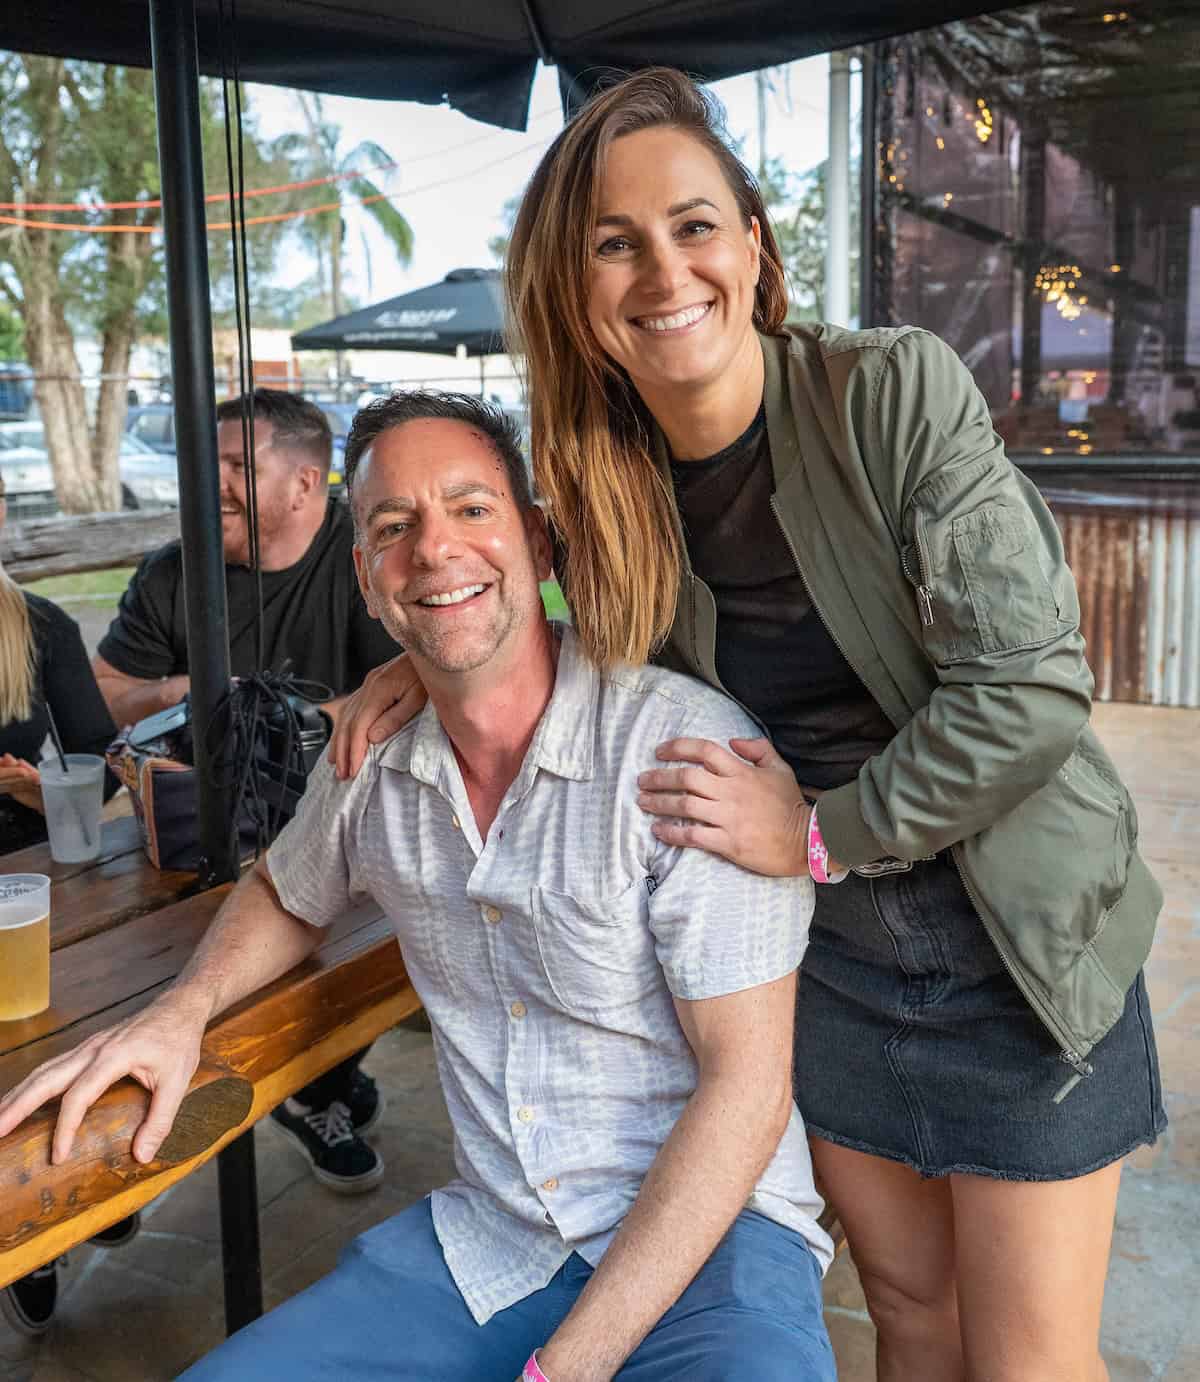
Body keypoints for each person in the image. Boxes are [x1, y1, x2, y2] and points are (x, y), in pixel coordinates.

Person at [331, 70, 1166, 1382]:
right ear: (576, 296)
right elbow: (537, 604)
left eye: (694, 225)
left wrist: (820, 832)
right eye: (616, 243)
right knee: (910, 1313)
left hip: (1015, 938)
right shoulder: (608, 491)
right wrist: (426, 661)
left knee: (1028, 1361)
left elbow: (1031, 692)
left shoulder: (889, 392)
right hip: (831, 962)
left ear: (754, 247)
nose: (666, 270)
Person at [0, 392, 835, 1382]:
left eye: (472, 508)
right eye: (394, 526)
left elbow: (746, 1090)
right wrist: (180, 1011)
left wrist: (564, 1368)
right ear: (367, 577)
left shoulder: (681, 754)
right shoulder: (376, 760)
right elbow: (285, 890)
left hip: (714, 1236)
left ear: (538, 541)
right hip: (498, 1237)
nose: (435, 548)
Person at [94, 388, 401, 1197]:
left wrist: (280, 722)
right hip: (197, 830)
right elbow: (107, 689)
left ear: (304, 483)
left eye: (234, 465)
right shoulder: (175, 571)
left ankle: (319, 1087)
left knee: (378, 945)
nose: (211, 486)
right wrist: (187, 694)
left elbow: (402, 691)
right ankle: (108, 1155)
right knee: (131, 971)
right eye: (204, 465)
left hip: (349, 816)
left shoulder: (364, 557)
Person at [0, 472, 135, 1339]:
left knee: (54, 1045)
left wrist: (37, 788)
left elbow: (102, 763)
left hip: (38, 891)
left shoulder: (37, 626)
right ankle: (28, 1235)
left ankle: (70, 1193)